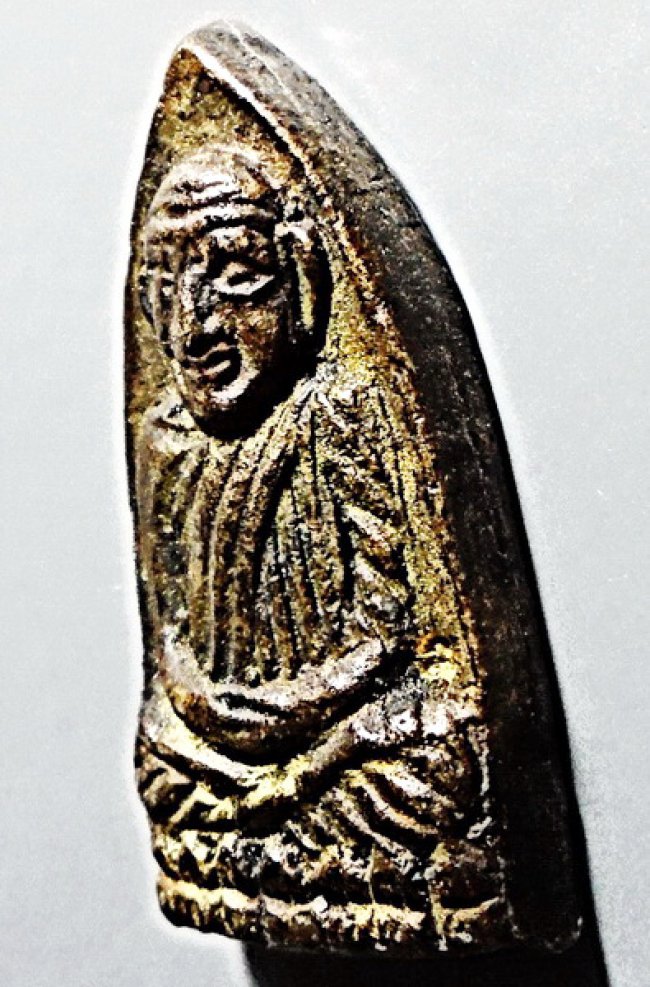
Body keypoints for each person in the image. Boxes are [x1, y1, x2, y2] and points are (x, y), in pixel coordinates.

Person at [135, 146, 507, 945]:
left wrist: (293, 730)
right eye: (165, 288)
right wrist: (214, 714)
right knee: (159, 763)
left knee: (441, 760)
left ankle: (303, 856)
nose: (196, 326)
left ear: (300, 277)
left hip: (336, 737)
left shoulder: (338, 412)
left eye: (237, 277)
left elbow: (387, 631)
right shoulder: (164, 442)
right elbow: (168, 639)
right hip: (214, 746)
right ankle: (298, 858)